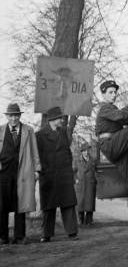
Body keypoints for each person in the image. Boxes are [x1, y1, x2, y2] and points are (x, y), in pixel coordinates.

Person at [95, 80, 128, 210]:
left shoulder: (112, 109)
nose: (114, 95)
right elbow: (122, 116)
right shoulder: (104, 108)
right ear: (103, 95)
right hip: (110, 145)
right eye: (110, 92)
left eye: (115, 92)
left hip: (116, 145)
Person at [36, 106, 78, 242]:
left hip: (64, 174)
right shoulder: (39, 135)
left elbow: (68, 152)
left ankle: (72, 232)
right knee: (48, 206)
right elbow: (37, 157)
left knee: (68, 203)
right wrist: (41, 171)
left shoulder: (64, 132)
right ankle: (46, 235)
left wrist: (70, 172)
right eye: (60, 118)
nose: (61, 120)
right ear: (53, 119)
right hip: (48, 175)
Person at [0, 103, 40, 245]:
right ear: (7, 116)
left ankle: (19, 236)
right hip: (3, 173)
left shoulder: (28, 130)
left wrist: (37, 169)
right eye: (11, 115)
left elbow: (35, 150)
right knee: (2, 204)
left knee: (20, 203)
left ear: (20, 115)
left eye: (16, 115)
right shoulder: (1, 130)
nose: (13, 118)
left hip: (23, 171)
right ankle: (3, 236)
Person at [74, 140, 97, 225]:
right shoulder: (77, 160)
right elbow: (73, 171)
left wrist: (95, 179)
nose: (86, 152)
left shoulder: (93, 160)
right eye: (85, 150)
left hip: (90, 184)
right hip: (81, 184)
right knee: (80, 202)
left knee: (90, 202)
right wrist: (76, 179)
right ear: (82, 152)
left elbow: (97, 171)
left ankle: (89, 220)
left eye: (88, 150)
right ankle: (81, 219)